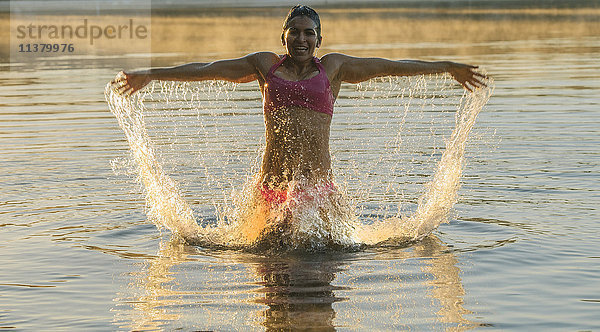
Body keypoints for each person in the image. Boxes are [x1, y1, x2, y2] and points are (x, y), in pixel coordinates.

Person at [111, 5, 486, 215]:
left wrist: (445, 67)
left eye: (309, 33)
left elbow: (390, 64)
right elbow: (207, 70)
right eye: (295, 31)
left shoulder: (334, 68)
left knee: (321, 280)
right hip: (272, 186)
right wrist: (151, 74)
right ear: (284, 37)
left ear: (319, 40)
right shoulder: (265, 66)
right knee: (271, 280)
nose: (302, 38)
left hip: (319, 188)